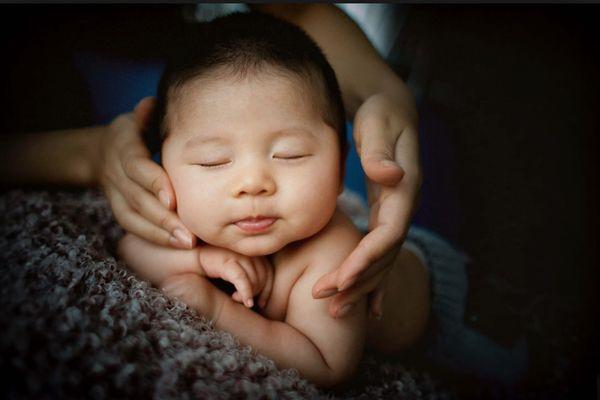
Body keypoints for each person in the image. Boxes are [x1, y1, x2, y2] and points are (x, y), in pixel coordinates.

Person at [117, 12, 429, 387]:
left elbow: (328, 364)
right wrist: (199, 258)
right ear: (164, 165)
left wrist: (217, 310)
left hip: (461, 312)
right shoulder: (195, 210)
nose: (252, 184)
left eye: (289, 154)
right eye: (212, 161)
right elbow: (131, 247)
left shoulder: (333, 253)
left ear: (341, 163)